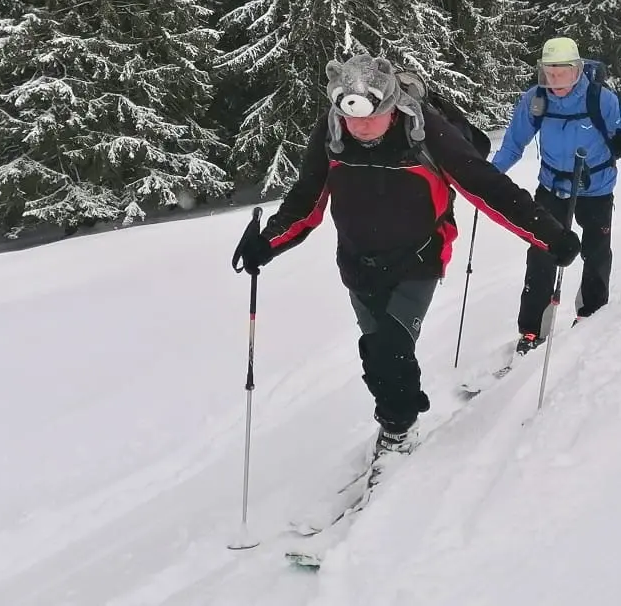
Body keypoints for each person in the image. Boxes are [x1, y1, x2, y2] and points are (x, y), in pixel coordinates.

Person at [232, 53, 580, 449]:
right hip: (357, 262)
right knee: (377, 352)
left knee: (391, 347)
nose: (360, 126)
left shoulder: (424, 131)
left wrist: (550, 235)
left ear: (392, 106)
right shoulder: (332, 132)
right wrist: (268, 242)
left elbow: (488, 187)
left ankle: (398, 429)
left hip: (420, 256)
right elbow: (305, 201)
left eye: (371, 116)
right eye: (352, 118)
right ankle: (397, 415)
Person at [490, 37, 621, 354]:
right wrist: (488, 177)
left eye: (563, 72)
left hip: (596, 188)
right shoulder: (537, 99)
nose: (556, 81)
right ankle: (532, 331)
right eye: (549, 73)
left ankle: (591, 313)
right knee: (541, 253)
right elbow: (513, 143)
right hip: (551, 188)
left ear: (577, 70)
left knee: (596, 252)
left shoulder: (600, 100)